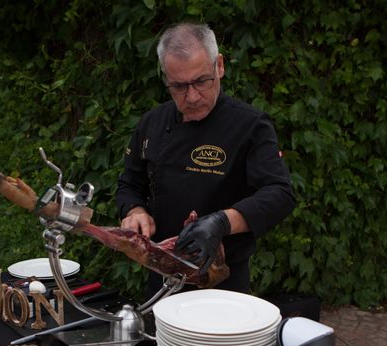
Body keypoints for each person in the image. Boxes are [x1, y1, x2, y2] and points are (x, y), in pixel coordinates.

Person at [116, 22, 296, 298]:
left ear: (219, 66)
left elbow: (280, 193)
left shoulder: (250, 126)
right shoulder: (152, 122)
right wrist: (135, 211)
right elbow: (129, 183)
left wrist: (222, 222)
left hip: (223, 283)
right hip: (161, 280)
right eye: (178, 86)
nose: (192, 96)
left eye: (201, 81)